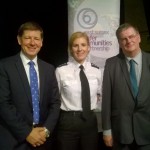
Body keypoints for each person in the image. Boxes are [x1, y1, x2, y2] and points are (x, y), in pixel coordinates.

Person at [0, 21, 60, 150]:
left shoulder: (49, 69)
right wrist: (27, 133)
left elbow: (55, 103)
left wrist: (46, 130)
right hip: (14, 140)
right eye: (27, 38)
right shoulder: (4, 66)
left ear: (41, 42)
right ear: (19, 40)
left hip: (43, 139)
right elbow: (3, 103)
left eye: (36, 39)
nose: (32, 43)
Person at [102, 22, 150, 150]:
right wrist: (106, 130)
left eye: (131, 36)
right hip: (121, 133)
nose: (128, 41)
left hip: (147, 132)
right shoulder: (111, 64)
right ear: (119, 42)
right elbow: (106, 100)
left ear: (139, 37)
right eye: (124, 39)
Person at [55, 31, 102, 150]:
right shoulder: (61, 70)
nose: (79, 49)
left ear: (89, 48)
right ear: (71, 49)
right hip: (68, 122)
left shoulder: (97, 71)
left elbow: (99, 94)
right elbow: (55, 99)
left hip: (90, 121)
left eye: (83, 45)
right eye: (75, 45)